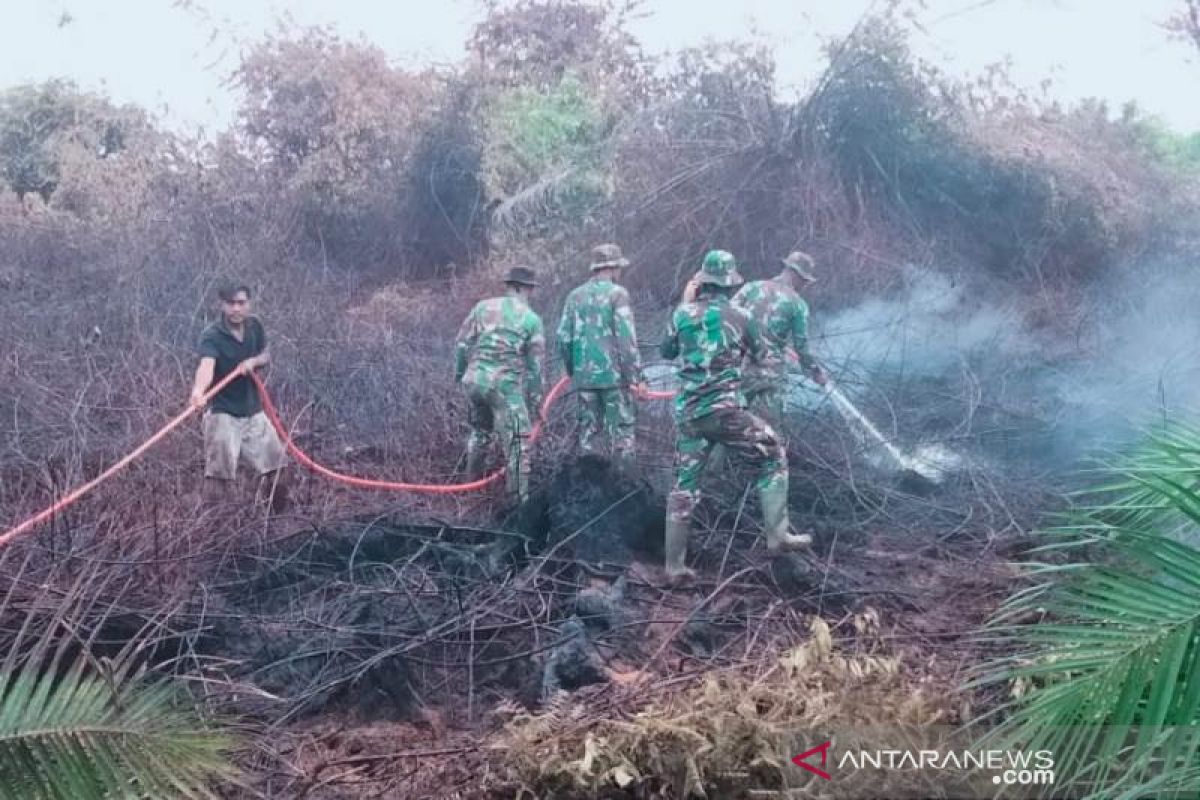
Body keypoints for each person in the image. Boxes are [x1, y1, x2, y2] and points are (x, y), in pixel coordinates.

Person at [660, 250, 811, 585]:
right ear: (730, 285)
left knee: (683, 488)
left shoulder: (681, 314)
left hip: (689, 416)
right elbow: (760, 355)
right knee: (773, 452)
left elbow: (666, 352)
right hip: (726, 414)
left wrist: (686, 304)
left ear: (702, 282)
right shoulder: (742, 316)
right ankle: (778, 535)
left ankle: (673, 566)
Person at [189, 281, 288, 510]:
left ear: (248, 304)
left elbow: (266, 354)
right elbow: (206, 366)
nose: (236, 309)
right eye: (231, 304)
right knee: (219, 478)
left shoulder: (255, 327)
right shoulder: (212, 335)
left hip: (253, 411)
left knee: (279, 468)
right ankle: (217, 530)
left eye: (241, 303)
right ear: (221, 306)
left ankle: (277, 521)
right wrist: (198, 391)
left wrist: (253, 361)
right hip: (223, 413)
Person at [455, 266, 546, 503]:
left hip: (474, 382)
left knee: (480, 433)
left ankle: (468, 491)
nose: (531, 293)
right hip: (503, 387)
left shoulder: (483, 307)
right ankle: (518, 505)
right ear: (524, 288)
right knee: (518, 446)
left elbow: (462, 345)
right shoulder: (531, 319)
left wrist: (460, 374)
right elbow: (535, 369)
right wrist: (536, 404)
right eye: (530, 289)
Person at [555, 243, 647, 470]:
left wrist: (571, 369)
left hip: (585, 379)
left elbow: (563, 338)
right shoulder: (618, 294)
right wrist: (636, 377)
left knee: (589, 435)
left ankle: (590, 488)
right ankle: (626, 489)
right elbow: (627, 340)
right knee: (622, 435)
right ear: (614, 268)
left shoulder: (574, 296)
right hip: (614, 379)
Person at [731, 249, 828, 443]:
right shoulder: (797, 304)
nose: (804, 286)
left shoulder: (751, 288)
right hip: (770, 376)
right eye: (804, 281)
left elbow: (727, 316)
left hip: (738, 368)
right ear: (797, 275)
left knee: (728, 421)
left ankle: (711, 470)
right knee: (772, 431)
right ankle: (770, 468)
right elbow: (801, 347)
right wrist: (815, 372)